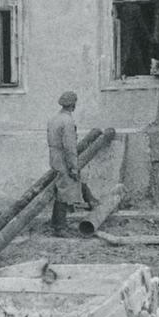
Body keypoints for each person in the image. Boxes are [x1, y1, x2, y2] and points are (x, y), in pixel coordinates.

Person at [46, 91, 100, 235]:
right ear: (73, 105)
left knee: (61, 188)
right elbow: (69, 147)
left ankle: (56, 224)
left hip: (54, 155)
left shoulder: (53, 119)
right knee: (64, 191)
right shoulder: (68, 121)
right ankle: (60, 228)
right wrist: (73, 167)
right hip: (63, 157)